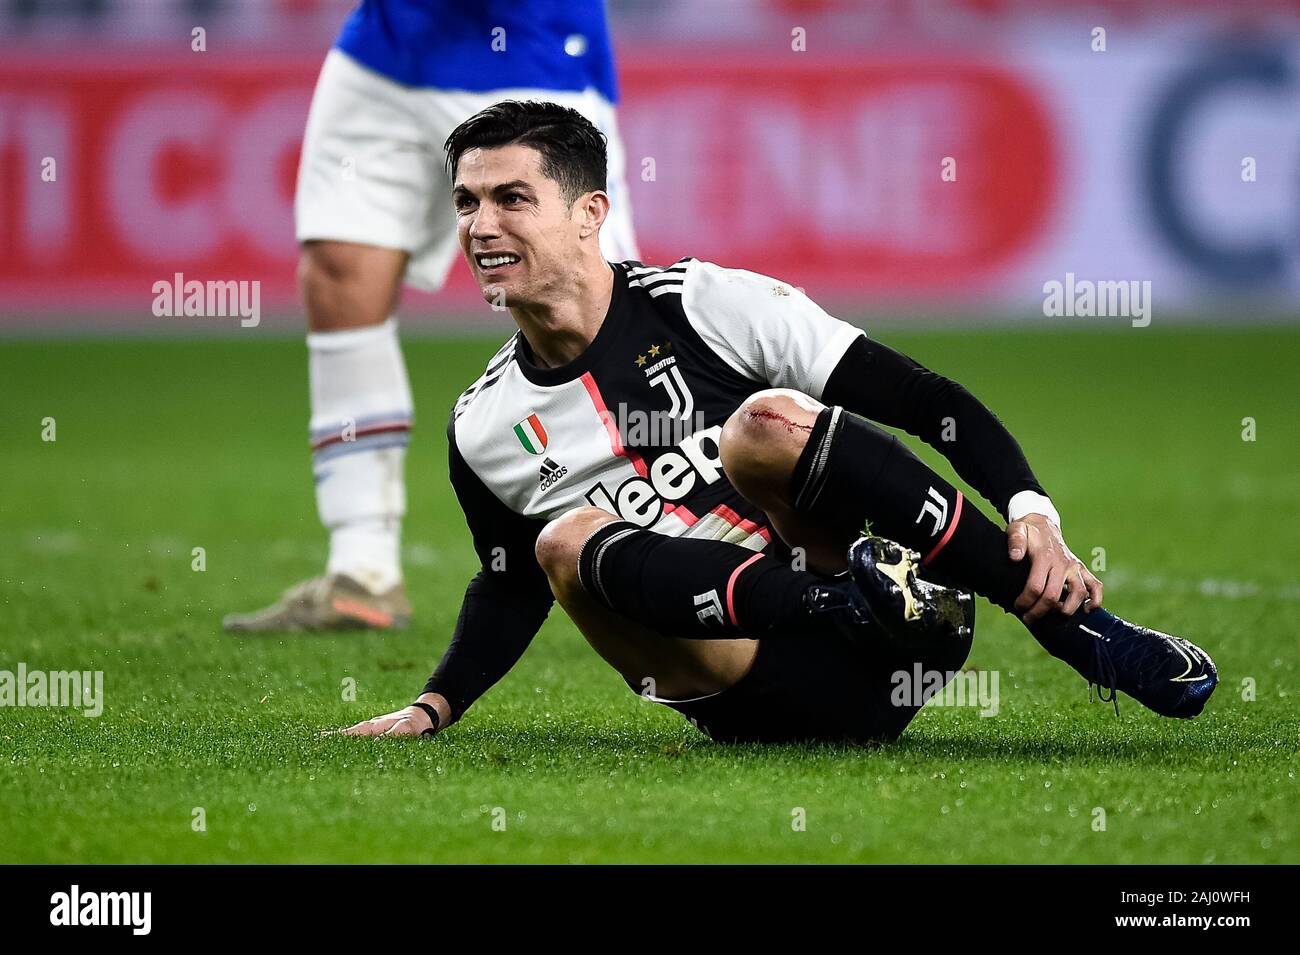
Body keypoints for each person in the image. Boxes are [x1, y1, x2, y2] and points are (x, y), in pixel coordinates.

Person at [340, 101, 1217, 743]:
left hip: (906, 637)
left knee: (765, 426)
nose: (481, 226)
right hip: (751, 691)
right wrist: (432, 706)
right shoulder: (482, 423)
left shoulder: (703, 301)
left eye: (510, 198)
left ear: (590, 213)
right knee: (563, 543)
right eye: (466, 202)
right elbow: (508, 585)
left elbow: (924, 401)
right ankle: (846, 602)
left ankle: (1074, 629)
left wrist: (1031, 508)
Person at [224, 0, 637, 632]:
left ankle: (691, 529)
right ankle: (362, 571)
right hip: (384, 46)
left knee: (587, 300)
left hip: (524, 39)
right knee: (339, 273)